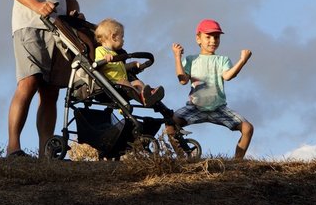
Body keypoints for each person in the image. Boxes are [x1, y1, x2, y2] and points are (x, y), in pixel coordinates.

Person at [3, 0, 81, 158]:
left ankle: (45, 153)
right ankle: (13, 147)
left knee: (51, 91)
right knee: (29, 82)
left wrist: (75, 15)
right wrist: (38, 6)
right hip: (30, 26)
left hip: (59, 32)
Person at [165, 19, 254, 159]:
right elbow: (182, 80)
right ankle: (182, 159)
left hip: (218, 108)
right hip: (195, 107)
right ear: (198, 39)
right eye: (208, 37)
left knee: (247, 128)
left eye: (216, 37)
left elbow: (228, 76)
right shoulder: (191, 60)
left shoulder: (222, 60)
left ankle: (237, 163)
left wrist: (242, 60)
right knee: (170, 124)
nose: (213, 40)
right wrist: (177, 57)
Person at [93, 18, 164, 107]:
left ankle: (147, 95)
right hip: (113, 83)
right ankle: (143, 98)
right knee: (126, 83)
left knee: (138, 82)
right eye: (122, 36)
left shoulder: (115, 54)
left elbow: (121, 67)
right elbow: (97, 64)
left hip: (124, 83)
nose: (123, 40)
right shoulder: (100, 50)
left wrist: (132, 64)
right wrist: (105, 59)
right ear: (113, 37)